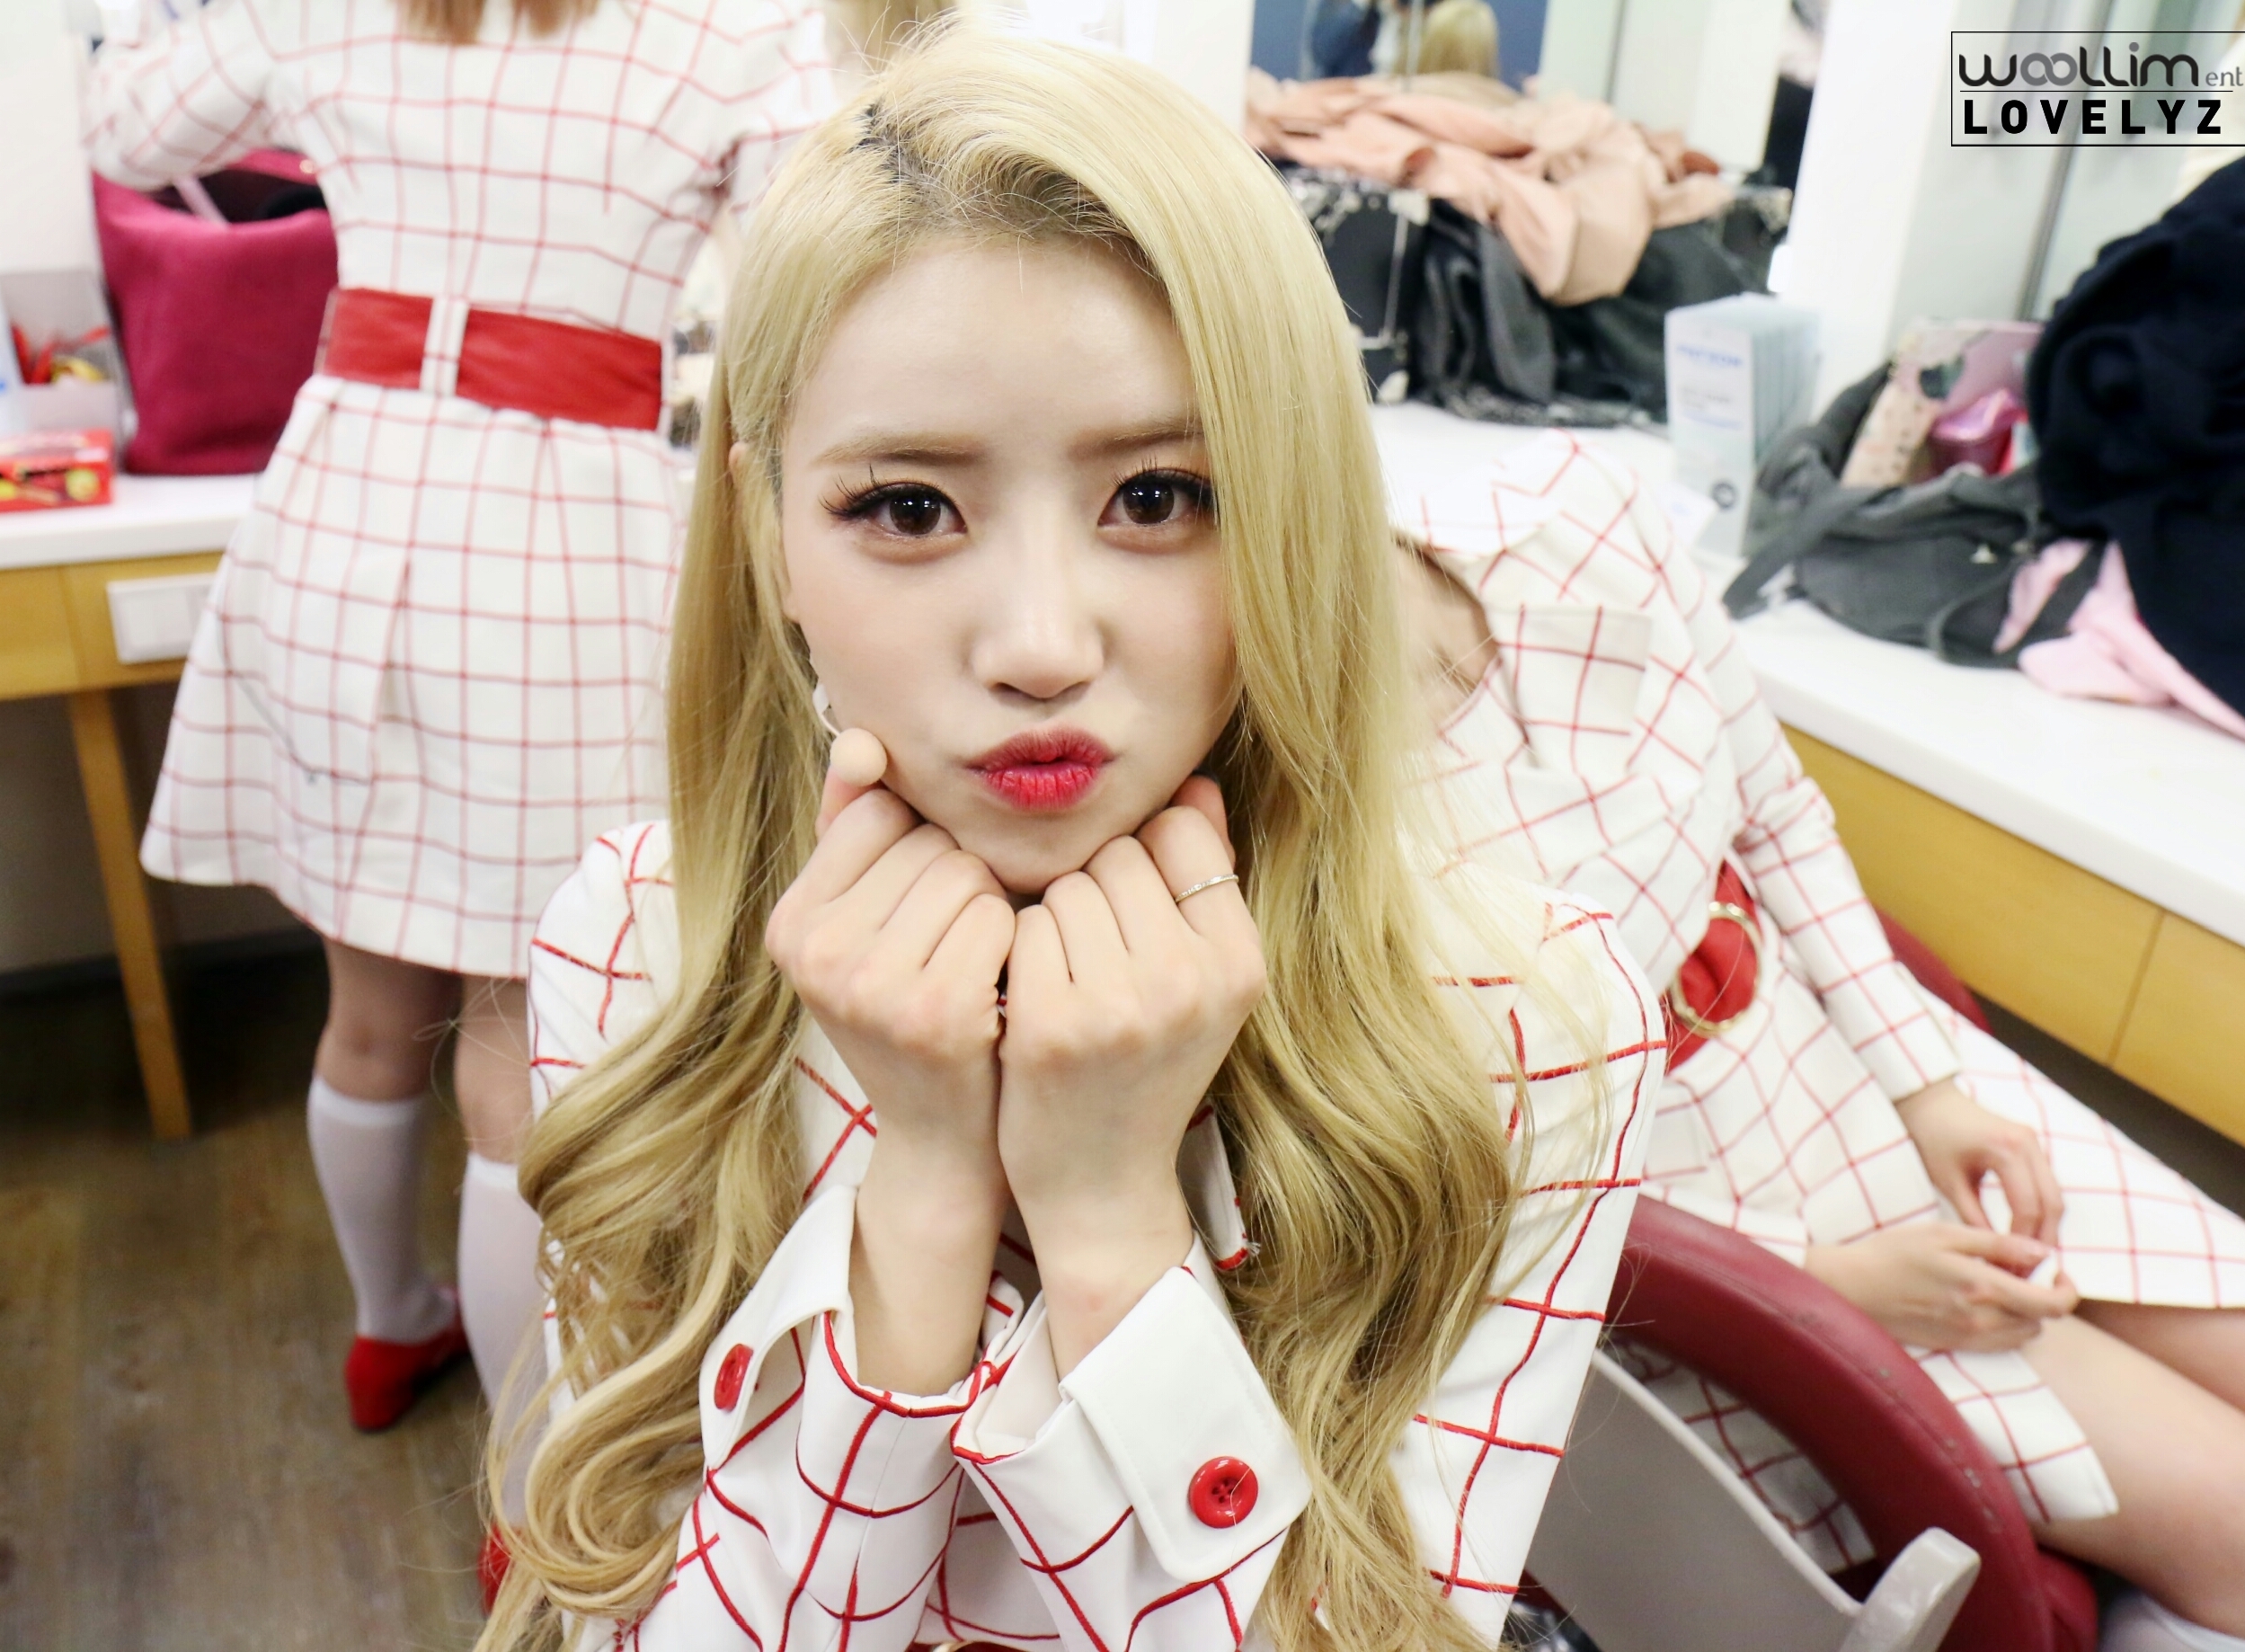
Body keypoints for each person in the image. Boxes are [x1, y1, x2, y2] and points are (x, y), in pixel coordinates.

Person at [492, 31, 1660, 1652]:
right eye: (909, 508)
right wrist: (921, 1193)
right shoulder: (639, 945)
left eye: (1159, 496)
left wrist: (1112, 1226)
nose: (1040, 644)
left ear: (1292, 507)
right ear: (769, 537)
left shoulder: (1521, 1030)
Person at [83, 0, 830, 1445]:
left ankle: (390, 1323)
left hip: (346, 510)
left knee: (366, 1016)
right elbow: (817, 274)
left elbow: (126, 126)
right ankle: (526, 1471)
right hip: (561, 551)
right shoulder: (735, 24)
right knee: (516, 1055)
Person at [1398, 431, 2245, 1652]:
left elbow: (1776, 815)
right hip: (1683, 1239)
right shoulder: (1276, 792)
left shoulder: (1577, 511)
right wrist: (1826, 1282)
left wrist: (1927, 1088)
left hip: (1837, 1063)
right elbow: (1461, 1188)